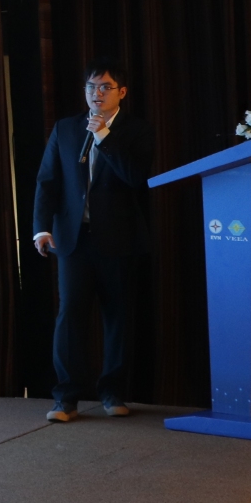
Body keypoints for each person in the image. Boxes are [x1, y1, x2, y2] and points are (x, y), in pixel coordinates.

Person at [32, 59, 153, 423]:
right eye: (90, 87)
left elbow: (135, 177)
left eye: (105, 87)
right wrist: (41, 228)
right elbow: (47, 181)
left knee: (117, 317)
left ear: (121, 92)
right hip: (73, 240)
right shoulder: (66, 128)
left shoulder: (137, 130)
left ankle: (112, 392)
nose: (96, 94)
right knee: (70, 314)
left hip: (119, 240)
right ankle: (66, 398)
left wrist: (104, 137)